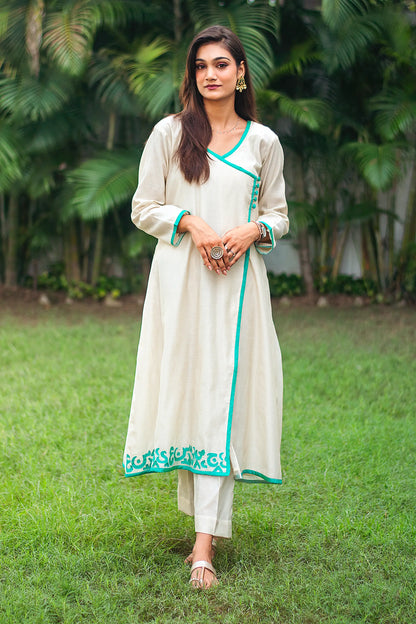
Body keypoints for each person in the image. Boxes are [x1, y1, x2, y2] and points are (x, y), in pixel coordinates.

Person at [123, 25, 289, 589]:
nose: (211, 74)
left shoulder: (264, 141)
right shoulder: (170, 133)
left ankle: (203, 546)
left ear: (241, 72)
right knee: (194, 390)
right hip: (181, 282)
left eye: (222, 64)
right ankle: (204, 521)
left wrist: (250, 231)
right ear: (193, 76)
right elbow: (143, 207)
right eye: (201, 66)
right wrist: (191, 223)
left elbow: (280, 215)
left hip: (238, 286)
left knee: (223, 392)